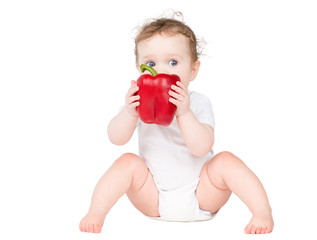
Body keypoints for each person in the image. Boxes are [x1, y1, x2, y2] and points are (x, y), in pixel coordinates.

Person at [79, 13, 274, 234]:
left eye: (173, 62)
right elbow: (116, 138)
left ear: (193, 70)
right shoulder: (139, 100)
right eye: (151, 63)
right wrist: (129, 112)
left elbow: (201, 147)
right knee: (126, 162)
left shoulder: (198, 102)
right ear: (139, 68)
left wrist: (185, 112)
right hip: (152, 195)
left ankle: (262, 212)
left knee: (226, 161)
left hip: (202, 194)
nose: (161, 71)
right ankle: (96, 211)